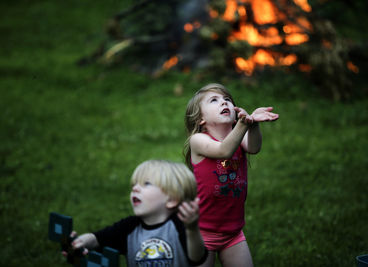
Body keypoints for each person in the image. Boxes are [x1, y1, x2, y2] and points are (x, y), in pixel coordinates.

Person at [184, 83, 279, 267]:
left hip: (233, 232)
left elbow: (254, 147)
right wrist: (243, 124)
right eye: (214, 100)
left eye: (227, 99)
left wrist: (253, 126)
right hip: (203, 232)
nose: (224, 103)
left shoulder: (240, 137)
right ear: (201, 119)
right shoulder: (198, 140)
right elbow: (223, 150)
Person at [64, 159, 208, 267]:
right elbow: (99, 239)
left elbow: (197, 257)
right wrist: (81, 242)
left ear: (171, 199)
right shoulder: (129, 227)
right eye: (134, 185)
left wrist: (192, 229)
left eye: (146, 184)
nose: (135, 189)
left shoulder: (180, 225)